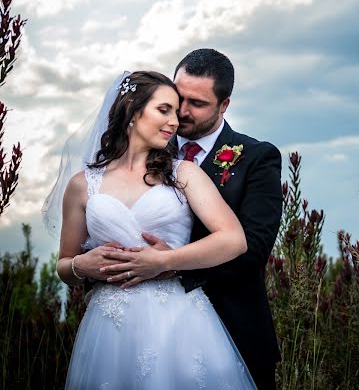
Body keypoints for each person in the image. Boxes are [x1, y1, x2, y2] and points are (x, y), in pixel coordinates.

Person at [54, 70, 258, 389]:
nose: (175, 121)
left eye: (176, 112)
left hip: (178, 321)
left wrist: (164, 261)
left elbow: (234, 239)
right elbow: (64, 265)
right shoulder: (82, 185)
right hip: (109, 327)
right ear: (133, 109)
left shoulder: (184, 173)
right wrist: (82, 265)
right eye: (164, 110)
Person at [100, 50, 283, 390]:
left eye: (196, 103)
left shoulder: (257, 158)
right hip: (141, 331)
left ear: (224, 104)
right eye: (177, 98)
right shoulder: (143, 153)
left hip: (234, 325)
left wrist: (168, 264)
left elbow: (254, 248)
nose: (182, 112)